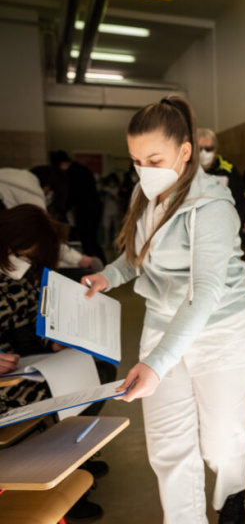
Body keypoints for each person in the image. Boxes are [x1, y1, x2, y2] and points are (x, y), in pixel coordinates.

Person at [84, 96, 245, 524]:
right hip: (163, 327)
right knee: (169, 447)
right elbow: (137, 255)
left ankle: (231, 494)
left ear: (185, 152)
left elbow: (204, 292)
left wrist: (156, 363)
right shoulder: (144, 193)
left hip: (224, 333)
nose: (143, 170)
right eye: (135, 161)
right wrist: (107, 277)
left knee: (222, 442)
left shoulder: (214, 206)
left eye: (153, 159)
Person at [0, 204, 107, 522]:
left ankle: (75, 461)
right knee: (62, 395)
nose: (26, 264)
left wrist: (54, 341)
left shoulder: (18, 279)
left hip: (20, 366)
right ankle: (63, 475)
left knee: (98, 371)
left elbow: (29, 327)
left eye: (32, 260)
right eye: (23, 255)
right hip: (6, 382)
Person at [0, 167, 98, 271]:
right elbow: (45, 235)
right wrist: (79, 259)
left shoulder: (14, 175)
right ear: (49, 187)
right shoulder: (32, 190)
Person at [50, 150, 105, 263]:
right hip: (92, 209)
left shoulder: (73, 173)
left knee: (88, 240)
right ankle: (98, 264)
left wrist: (61, 209)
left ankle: (96, 265)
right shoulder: (80, 169)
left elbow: (72, 195)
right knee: (90, 240)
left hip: (87, 211)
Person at [196, 128, 245, 225]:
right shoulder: (186, 170)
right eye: (199, 149)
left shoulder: (227, 170)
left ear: (215, 150)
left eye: (208, 149)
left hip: (223, 224)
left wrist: (230, 220)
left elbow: (244, 202)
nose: (204, 153)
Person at [100, 173, 121, 250]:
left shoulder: (118, 188)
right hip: (107, 210)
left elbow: (120, 198)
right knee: (106, 228)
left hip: (116, 210)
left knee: (117, 228)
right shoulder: (104, 189)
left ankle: (116, 244)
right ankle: (107, 243)